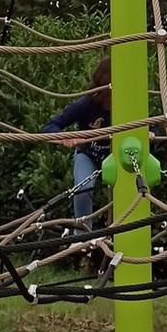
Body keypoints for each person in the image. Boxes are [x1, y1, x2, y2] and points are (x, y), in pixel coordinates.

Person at [43, 57, 112, 232]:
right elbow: (50, 126)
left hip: (115, 155)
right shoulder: (86, 103)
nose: (109, 103)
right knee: (82, 187)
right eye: (107, 98)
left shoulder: (128, 105)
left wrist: (150, 133)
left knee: (128, 189)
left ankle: (119, 230)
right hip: (88, 154)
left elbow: (153, 126)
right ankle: (81, 234)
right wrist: (64, 137)